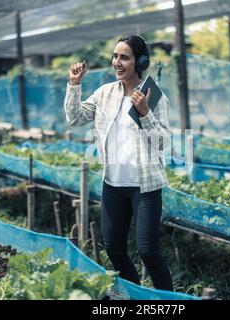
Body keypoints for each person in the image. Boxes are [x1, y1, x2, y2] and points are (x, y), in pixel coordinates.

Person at [64, 34, 173, 291]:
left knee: (147, 250)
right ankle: (138, 297)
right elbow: (76, 118)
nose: (117, 62)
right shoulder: (104, 94)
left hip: (144, 187)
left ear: (140, 62)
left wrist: (145, 113)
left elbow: (163, 141)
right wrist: (74, 85)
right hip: (113, 184)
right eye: (115, 56)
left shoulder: (153, 96)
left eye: (124, 57)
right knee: (114, 248)